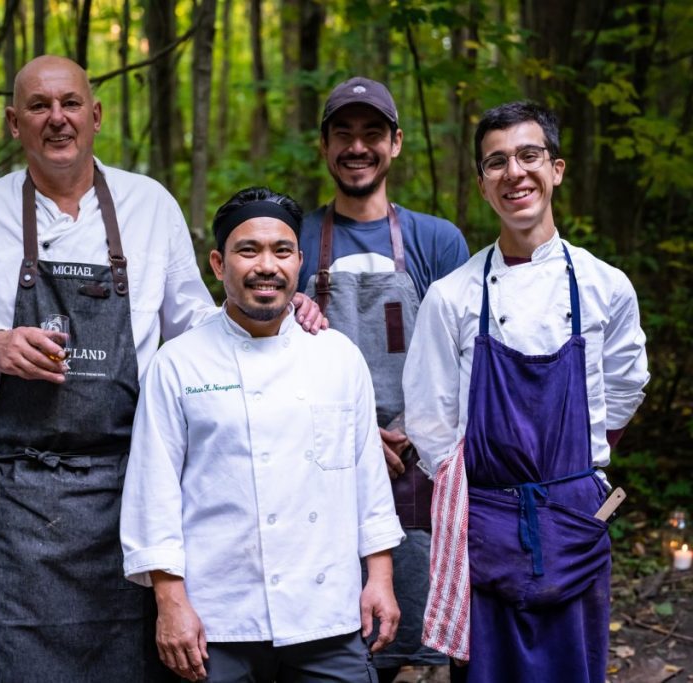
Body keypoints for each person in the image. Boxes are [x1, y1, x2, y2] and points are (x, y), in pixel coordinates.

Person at [0, 55, 324, 681]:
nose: (58, 119)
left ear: (96, 114)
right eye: (39, 106)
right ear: (12, 122)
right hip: (17, 503)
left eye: (71, 103)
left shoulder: (149, 205)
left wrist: (276, 311)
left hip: (132, 491)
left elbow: (197, 333)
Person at [404, 102, 650, 682]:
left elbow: (625, 384)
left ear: (556, 169)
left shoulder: (604, 286)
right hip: (483, 529)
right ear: (482, 183)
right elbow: (429, 420)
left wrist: (576, 477)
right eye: (496, 162)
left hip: (575, 522)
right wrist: (485, 506)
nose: (514, 172)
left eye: (528, 155)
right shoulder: (452, 296)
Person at [120, 187, 404, 683]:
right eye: (247, 250)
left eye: (281, 251)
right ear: (217, 263)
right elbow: (153, 496)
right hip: (217, 621)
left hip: (328, 616)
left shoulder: (338, 357)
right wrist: (170, 604)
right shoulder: (178, 363)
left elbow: (369, 484)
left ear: (299, 262)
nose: (265, 265)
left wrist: (379, 578)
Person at [298, 76, 469, 682]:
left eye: (372, 134)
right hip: (321, 467)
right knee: (330, 644)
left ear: (396, 144)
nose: (357, 146)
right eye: (342, 134)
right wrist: (359, 436)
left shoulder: (437, 240)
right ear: (323, 147)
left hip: (416, 467)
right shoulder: (289, 241)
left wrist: (407, 430)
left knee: (416, 647)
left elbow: (465, 361)